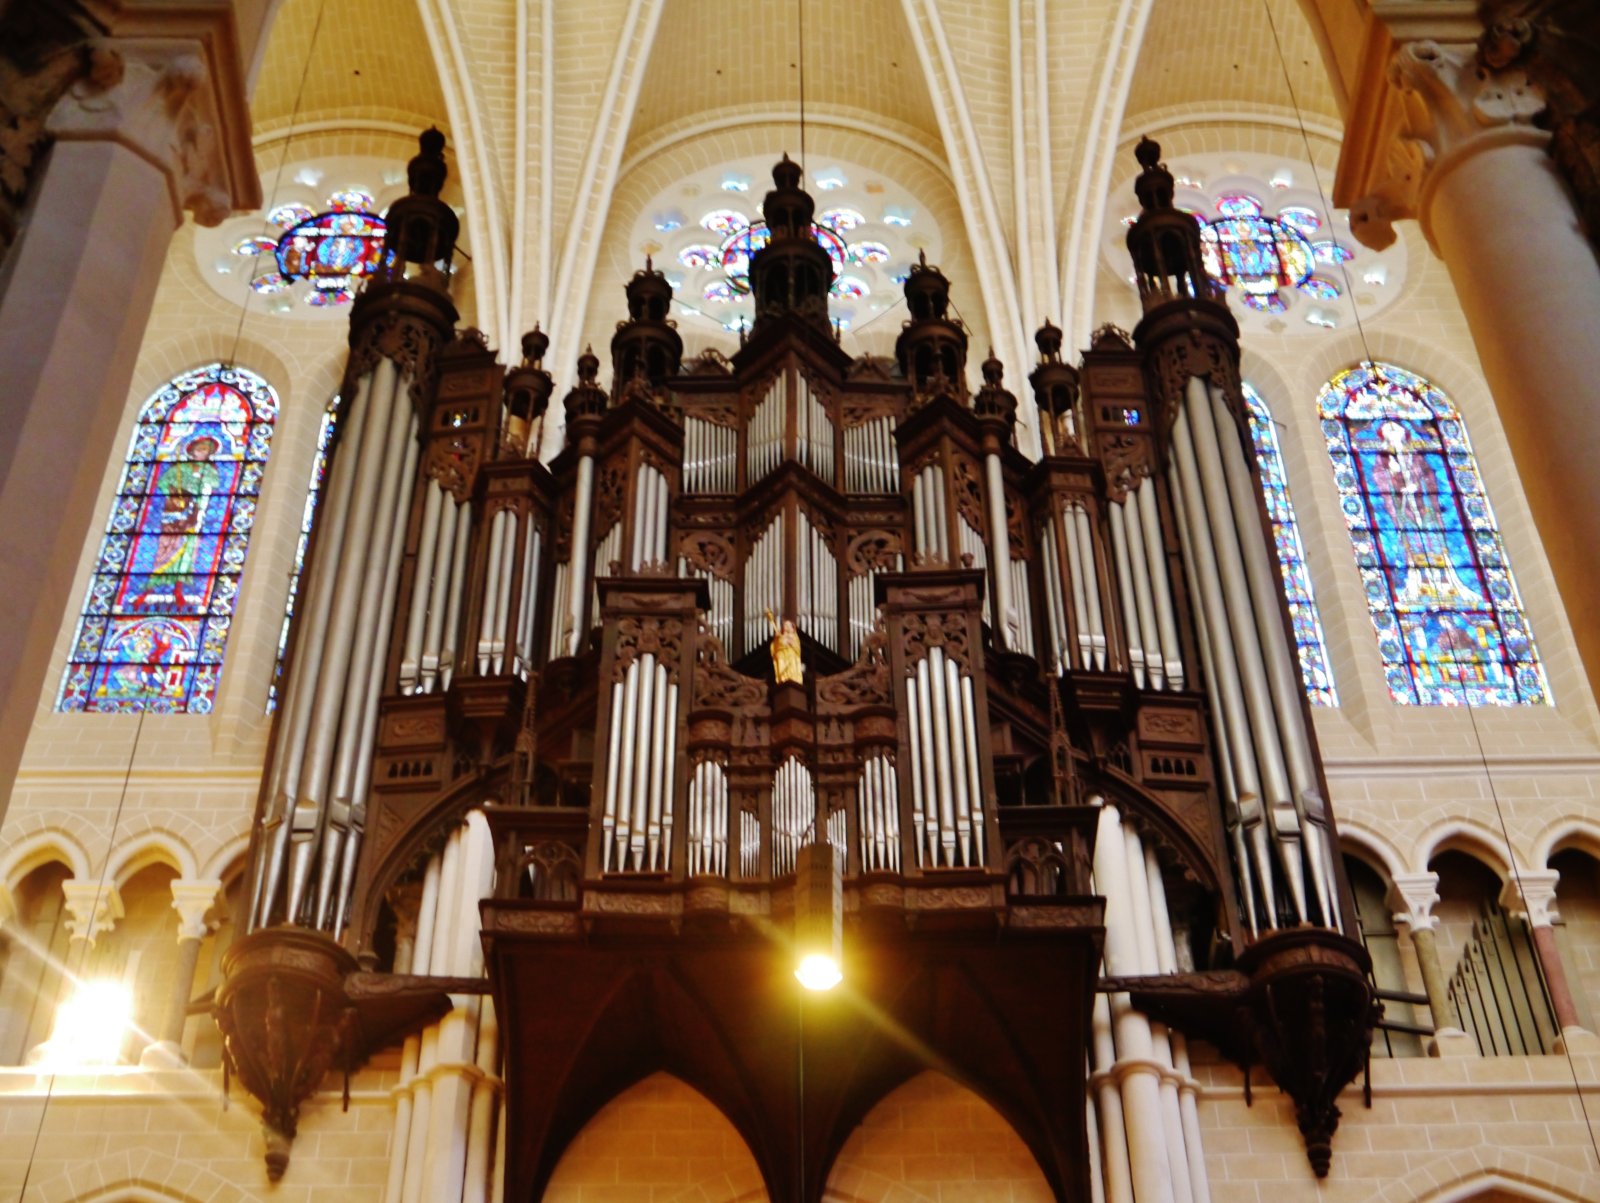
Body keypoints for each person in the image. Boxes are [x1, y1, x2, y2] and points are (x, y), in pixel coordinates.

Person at [765, 609, 804, 684]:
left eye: (788, 625)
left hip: (791, 655)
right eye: (785, 625)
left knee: (792, 664)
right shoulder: (779, 636)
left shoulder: (794, 637)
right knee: (781, 666)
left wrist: (790, 642)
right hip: (782, 655)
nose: (786, 626)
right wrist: (780, 641)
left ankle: (792, 678)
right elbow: (775, 647)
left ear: (793, 628)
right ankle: (782, 678)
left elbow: (797, 649)